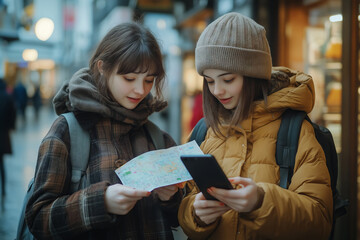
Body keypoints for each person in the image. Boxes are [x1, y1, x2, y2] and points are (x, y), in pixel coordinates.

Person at [178, 12, 333, 239]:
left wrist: (261, 201)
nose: (217, 91)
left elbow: (319, 221)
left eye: (228, 79)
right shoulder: (204, 131)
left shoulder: (295, 130)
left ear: (253, 75)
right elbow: (186, 209)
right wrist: (196, 214)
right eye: (209, 81)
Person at [25, 22, 182, 239]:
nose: (140, 90)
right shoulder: (68, 130)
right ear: (102, 67)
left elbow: (179, 217)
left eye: (149, 80)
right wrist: (101, 202)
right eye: (129, 78)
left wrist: (171, 198)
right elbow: (37, 218)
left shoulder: (156, 136)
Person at [0, 78, 16, 198]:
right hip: (3, 134)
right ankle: (3, 188)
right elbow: (12, 113)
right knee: (2, 164)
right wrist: (11, 126)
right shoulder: (7, 97)